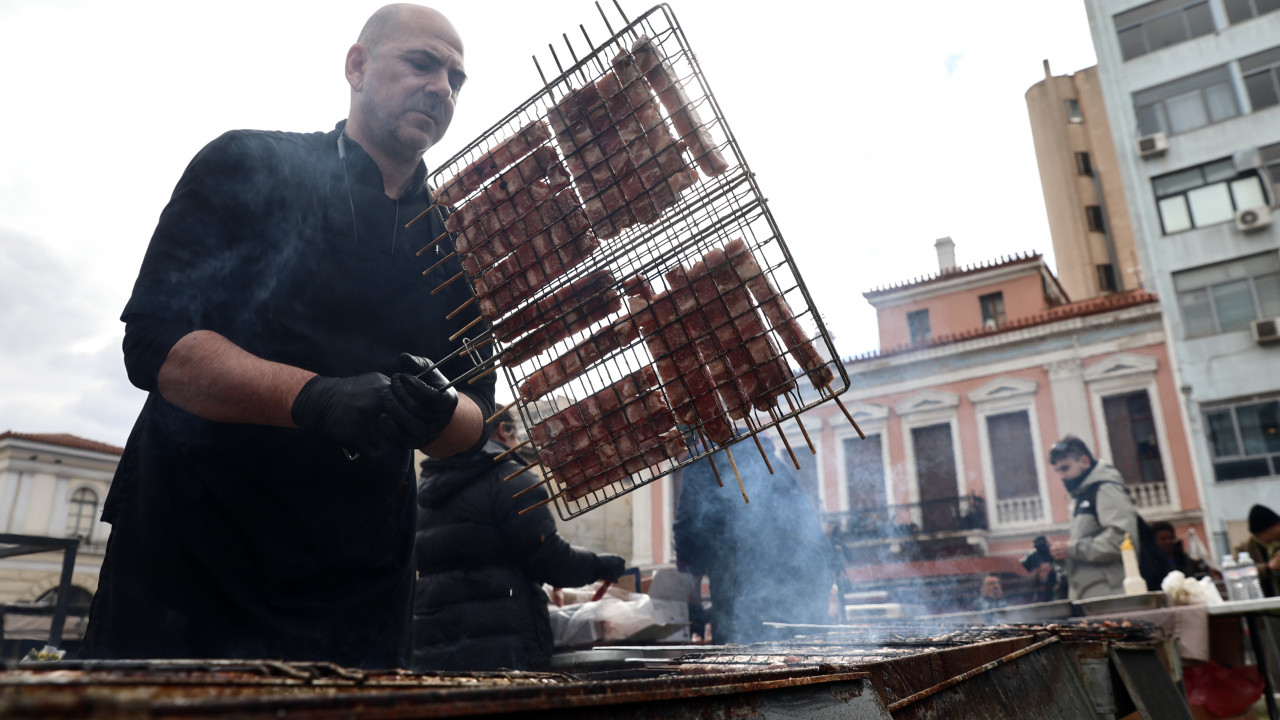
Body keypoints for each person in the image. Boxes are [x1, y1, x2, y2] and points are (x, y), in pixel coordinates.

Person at [82, 5, 494, 668]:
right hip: (191, 569)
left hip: (359, 595)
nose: (442, 88)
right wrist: (314, 398)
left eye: (456, 79)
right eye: (422, 63)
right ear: (356, 65)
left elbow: (480, 420)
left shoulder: (458, 247)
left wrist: (442, 410)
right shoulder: (246, 162)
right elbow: (157, 345)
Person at [412, 411, 626, 671]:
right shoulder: (511, 478)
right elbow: (549, 559)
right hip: (503, 653)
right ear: (503, 430)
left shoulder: (425, 490)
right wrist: (599, 565)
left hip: (434, 648)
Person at [673, 438, 837, 644]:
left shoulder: (699, 463)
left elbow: (688, 535)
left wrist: (693, 604)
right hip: (813, 570)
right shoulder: (762, 454)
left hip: (754, 577)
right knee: (809, 653)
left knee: (745, 661)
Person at [1047, 436, 1141, 600]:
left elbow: (1123, 539)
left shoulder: (1105, 489)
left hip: (1112, 595)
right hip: (1096, 596)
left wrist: (1071, 549)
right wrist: (1061, 555)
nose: (1062, 476)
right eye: (1058, 471)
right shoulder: (1084, 494)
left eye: (1065, 468)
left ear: (1084, 461)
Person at [1236, 504, 1280, 597]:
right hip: (1261, 605)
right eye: (1277, 525)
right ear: (1264, 530)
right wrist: (1268, 568)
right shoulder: (1244, 550)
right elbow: (1238, 573)